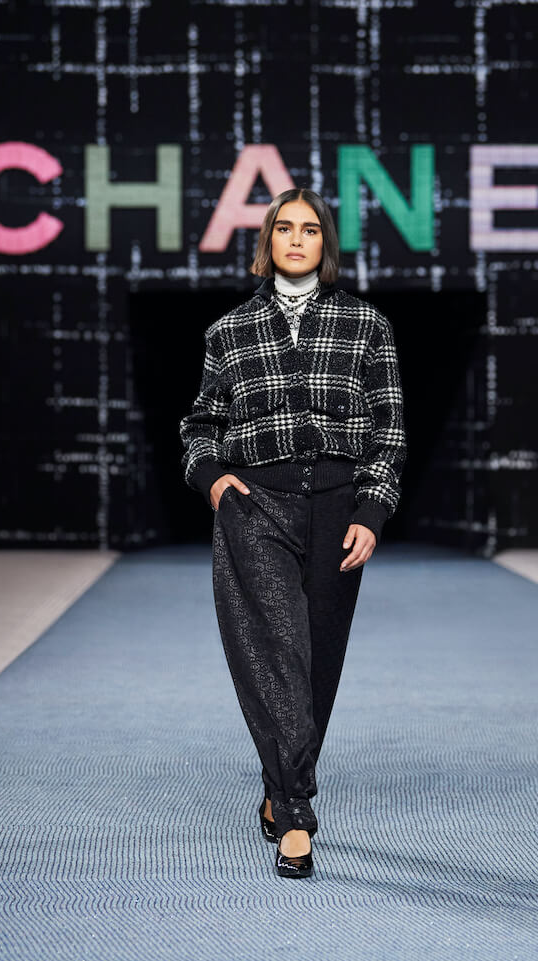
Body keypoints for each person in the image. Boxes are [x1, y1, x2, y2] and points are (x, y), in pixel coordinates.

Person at [179, 188, 406, 878]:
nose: (298, 238)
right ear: (268, 240)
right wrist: (214, 480)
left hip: (338, 508)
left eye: (310, 229)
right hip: (258, 506)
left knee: (317, 665)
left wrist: (371, 511)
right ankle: (296, 813)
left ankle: (278, 787)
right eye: (285, 227)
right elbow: (200, 425)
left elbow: (389, 430)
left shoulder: (366, 325)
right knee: (276, 653)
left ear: (324, 243)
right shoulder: (229, 331)